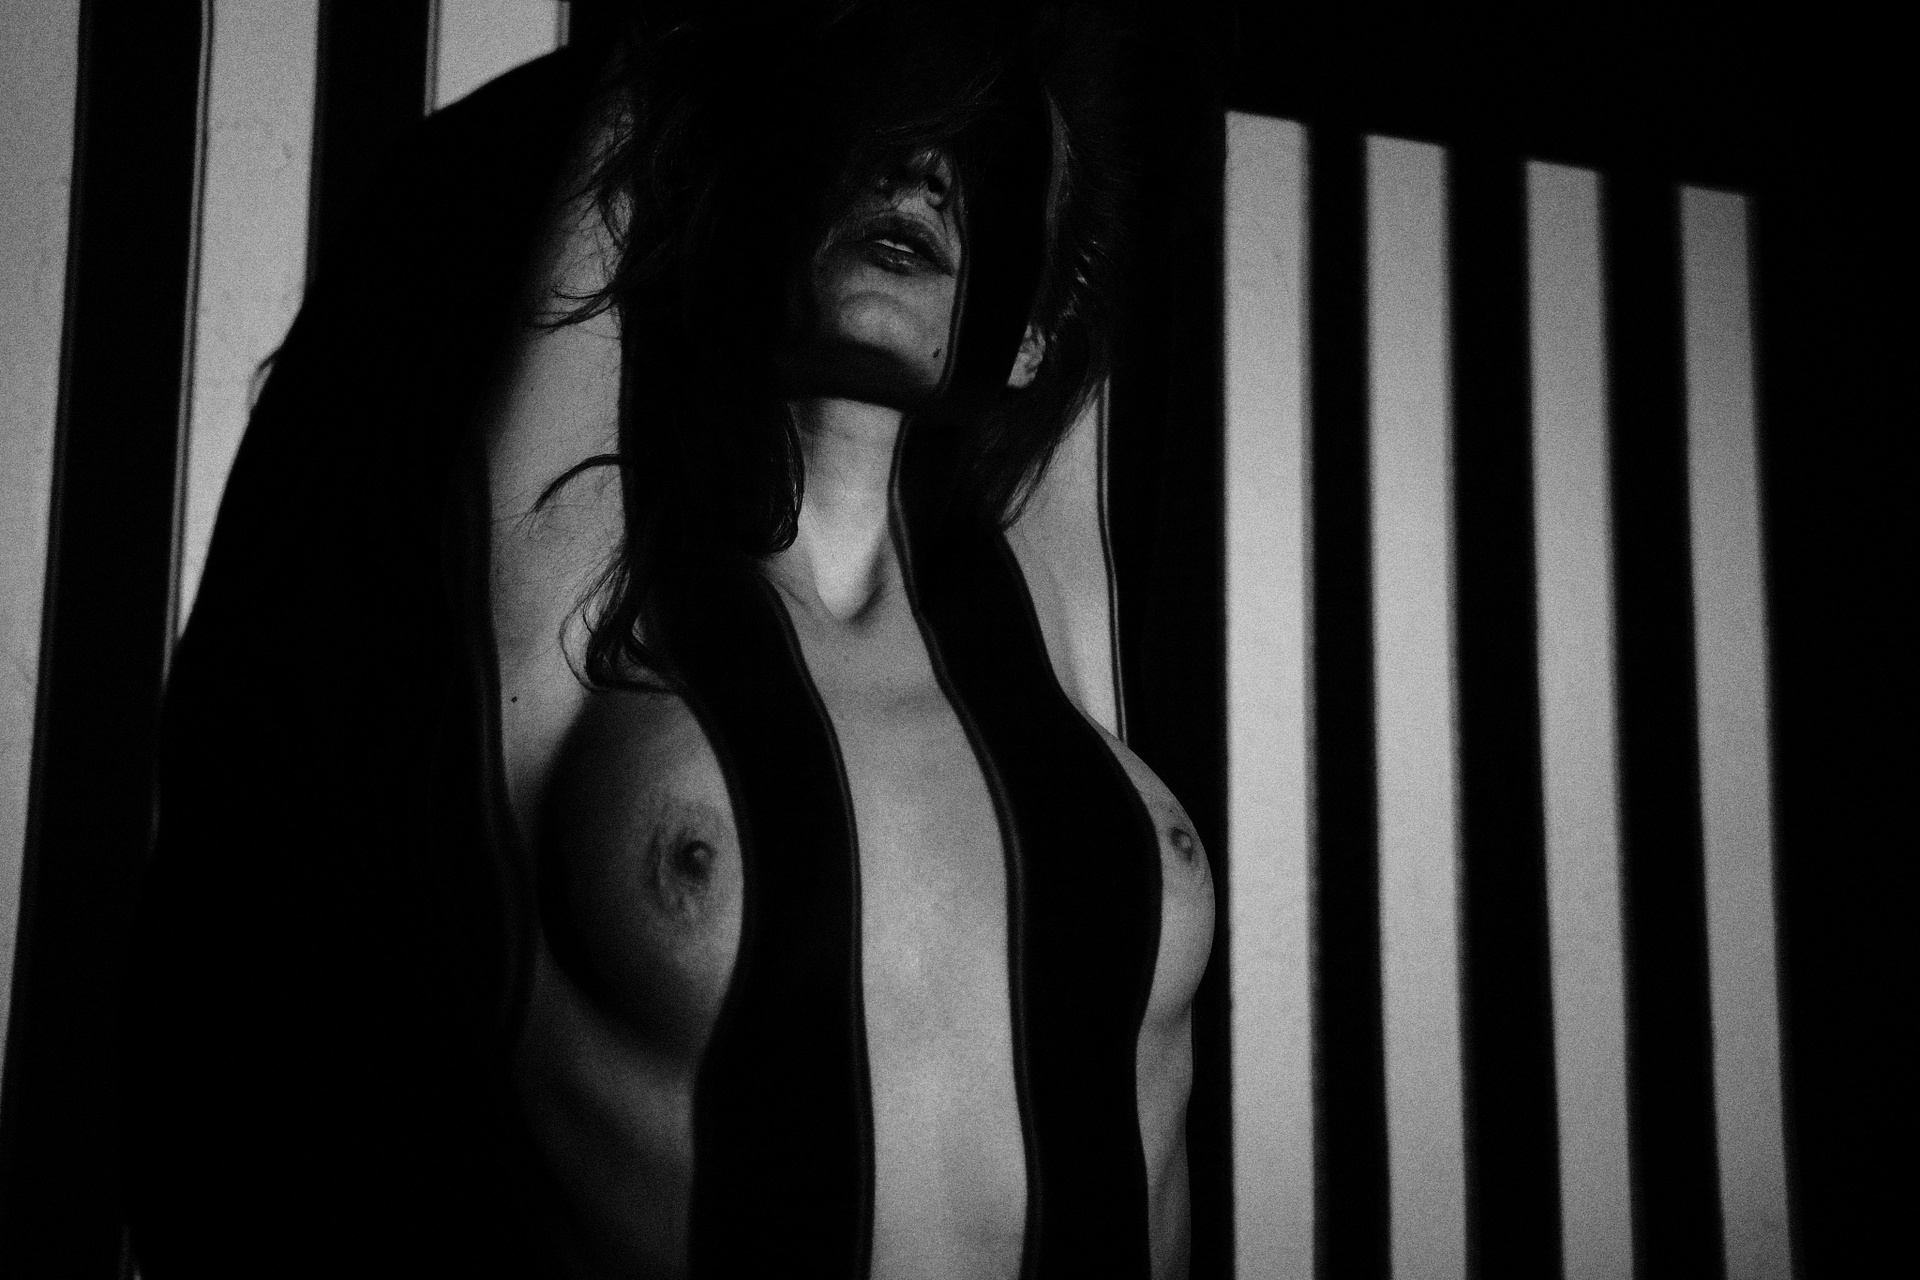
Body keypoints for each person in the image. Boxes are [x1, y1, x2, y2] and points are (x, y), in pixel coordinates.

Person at [121, 4, 1212, 1277]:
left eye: (982, 163)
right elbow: (650, 95)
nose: (922, 174)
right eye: (882, 136)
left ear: (1032, 339)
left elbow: (1085, 190)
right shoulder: (583, 611)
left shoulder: (1054, 637)